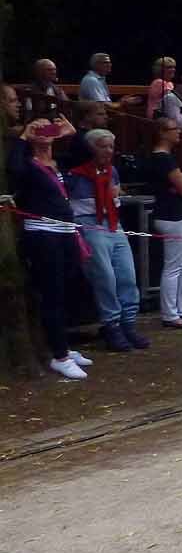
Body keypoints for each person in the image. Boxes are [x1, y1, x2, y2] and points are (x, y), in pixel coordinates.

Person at [7, 114, 96, 378]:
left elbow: (84, 155)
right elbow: (14, 169)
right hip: (44, 234)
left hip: (67, 232)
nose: (44, 133)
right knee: (52, 292)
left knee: (69, 288)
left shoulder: (58, 163)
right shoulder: (29, 165)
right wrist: (24, 138)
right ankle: (59, 354)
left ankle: (65, 345)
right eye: (39, 129)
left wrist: (70, 131)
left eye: (48, 128)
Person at [65, 126, 151, 350]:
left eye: (111, 146)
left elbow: (115, 196)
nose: (108, 151)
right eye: (103, 146)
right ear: (91, 149)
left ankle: (128, 324)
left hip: (114, 225)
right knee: (105, 278)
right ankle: (111, 326)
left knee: (127, 275)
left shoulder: (112, 171)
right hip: (91, 225)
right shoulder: (75, 175)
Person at [147, 115, 182, 326]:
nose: (178, 132)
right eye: (173, 129)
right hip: (171, 216)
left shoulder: (165, 158)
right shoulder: (163, 159)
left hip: (176, 215)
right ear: (162, 133)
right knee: (174, 265)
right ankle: (170, 314)